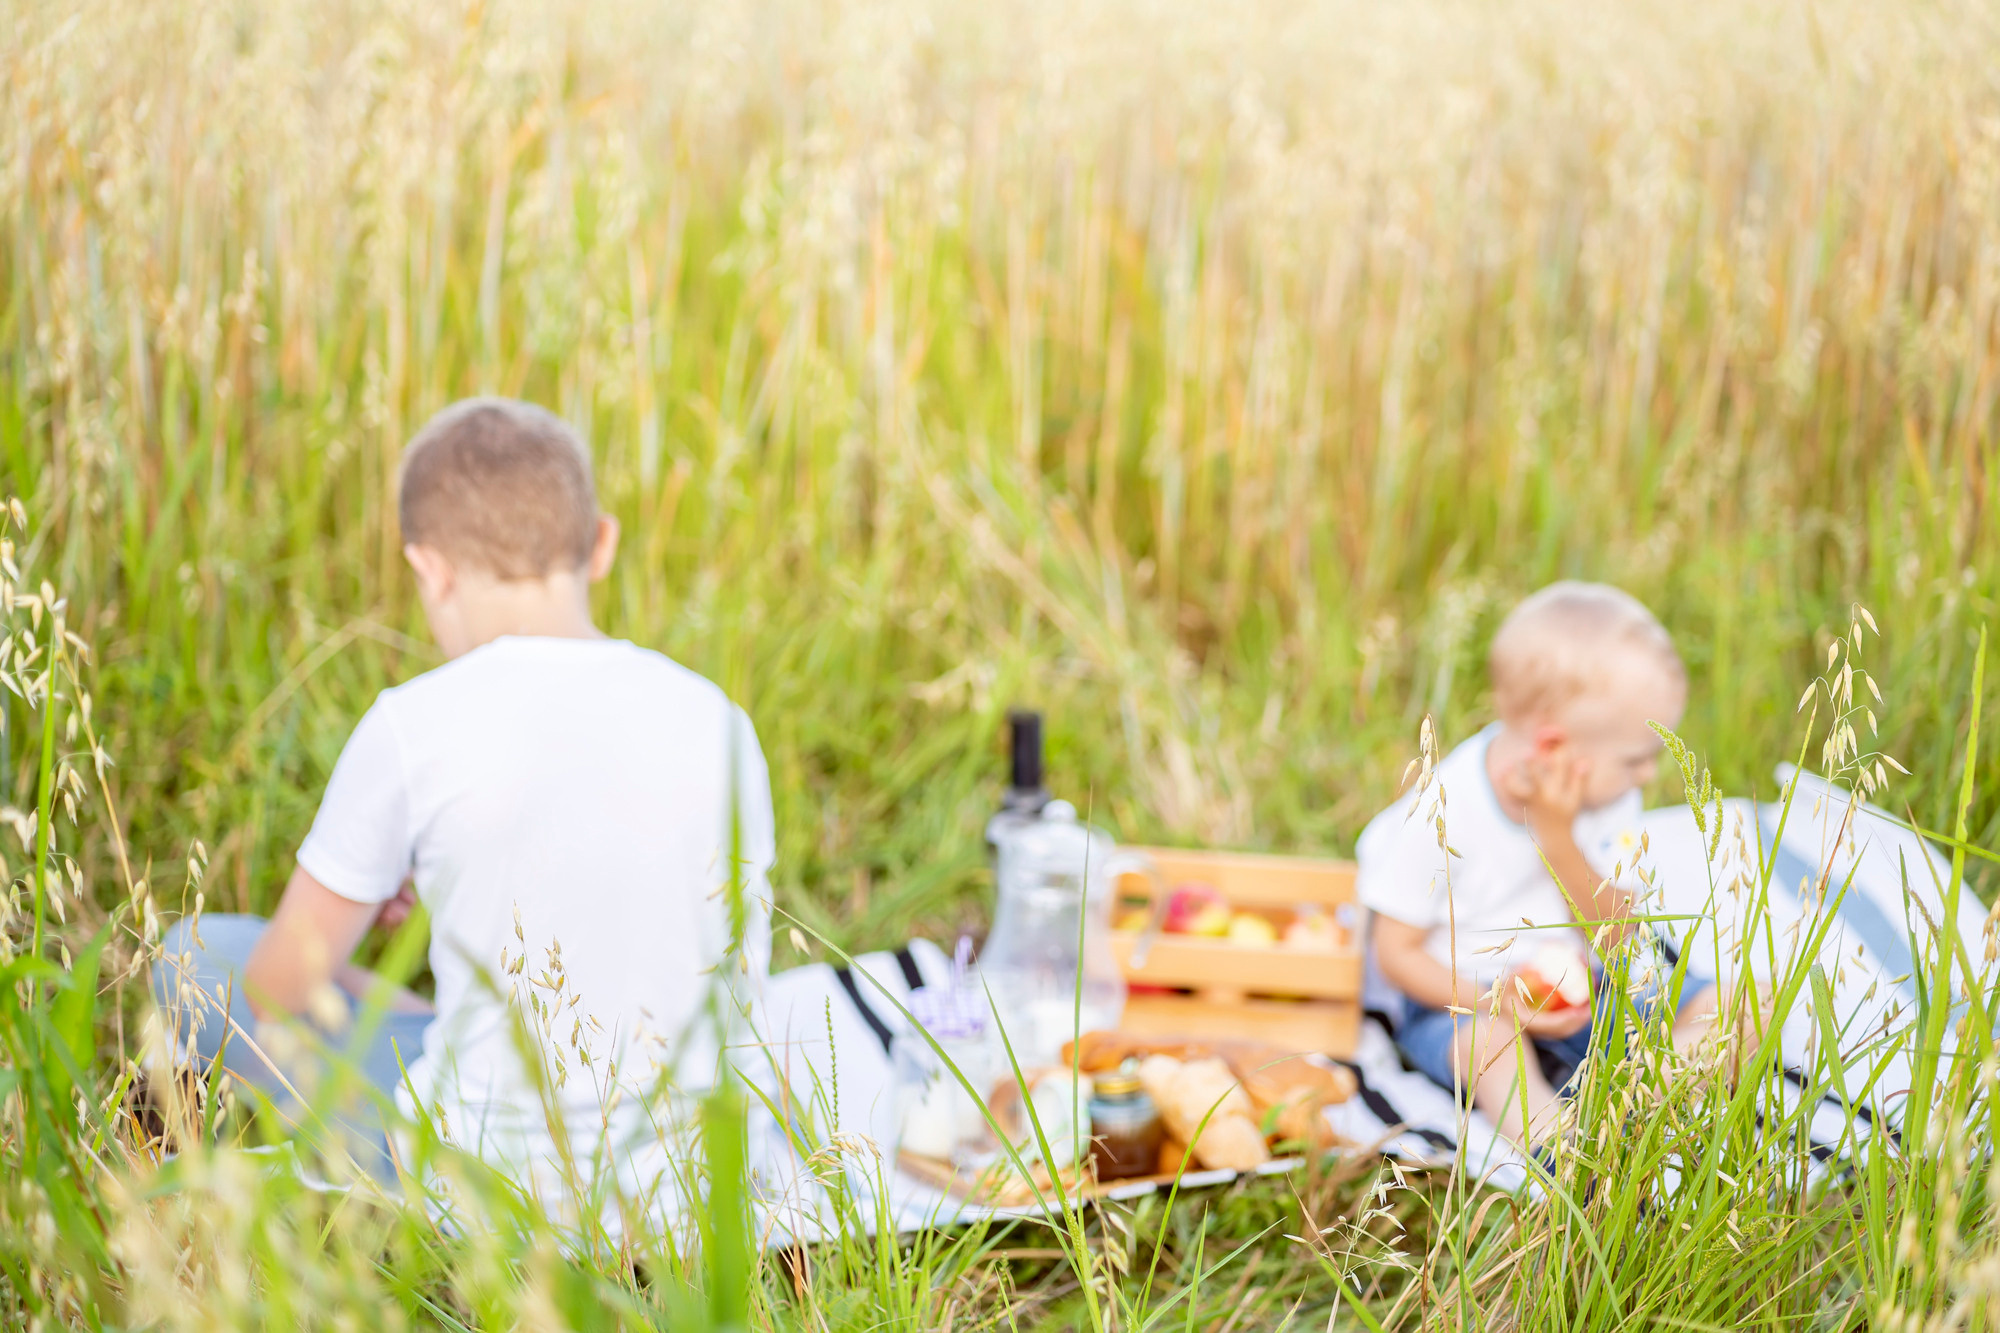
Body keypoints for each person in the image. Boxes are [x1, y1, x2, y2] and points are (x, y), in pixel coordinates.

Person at [151, 398, 776, 1221]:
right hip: (703, 1185)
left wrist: (368, 906)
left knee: (195, 959)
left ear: (430, 569)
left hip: (492, 1185)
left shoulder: (413, 725)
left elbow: (276, 991)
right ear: (601, 543)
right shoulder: (719, 718)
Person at [1356, 582, 1715, 1150]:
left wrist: (1556, 836)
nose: (1648, 774)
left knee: (1743, 1004)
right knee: (1490, 1050)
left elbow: (1618, 936)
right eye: (1636, 759)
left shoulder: (1609, 795)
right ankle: (1558, 1142)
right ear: (1553, 748)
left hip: (1587, 985)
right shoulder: (1439, 812)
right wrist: (1498, 1001)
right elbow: (1395, 954)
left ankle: (1646, 1102)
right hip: (1464, 1002)